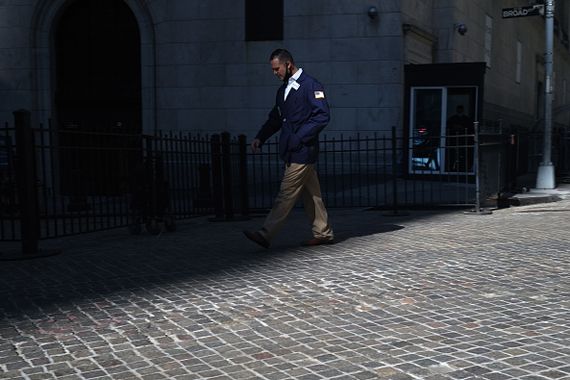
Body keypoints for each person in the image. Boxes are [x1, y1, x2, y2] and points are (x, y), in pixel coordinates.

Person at [243, 49, 334, 249]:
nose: (275, 73)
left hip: (302, 151)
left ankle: (266, 233)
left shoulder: (311, 85)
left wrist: (299, 138)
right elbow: (275, 118)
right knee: (312, 195)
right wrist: (261, 137)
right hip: (293, 150)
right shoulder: (282, 90)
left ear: (288, 65)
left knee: (286, 194)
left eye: (277, 69)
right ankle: (323, 233)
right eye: (273, 70)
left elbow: (322, 116)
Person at [446, 105, 474, 172]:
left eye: (460, 109)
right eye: (459, 109)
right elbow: (449, 127)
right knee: (454, 154)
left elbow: (470, 128)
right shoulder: (453, 119)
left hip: (462, 140)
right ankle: (454, 167)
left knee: (462, 154)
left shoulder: (465, 119)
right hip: (456, 140)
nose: (459, 111)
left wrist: (461, 128)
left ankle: (461, 167)